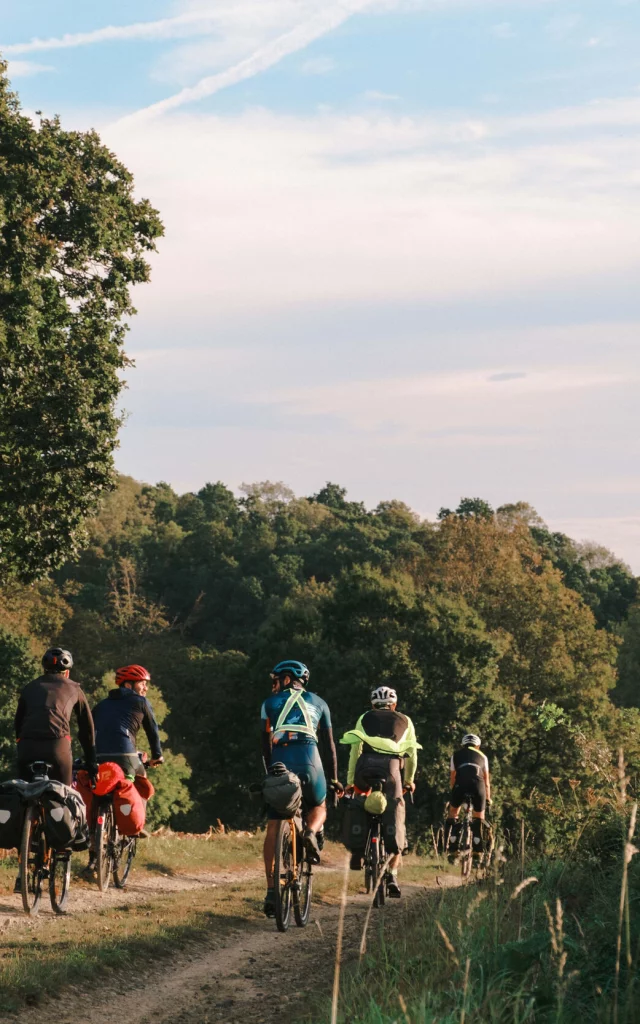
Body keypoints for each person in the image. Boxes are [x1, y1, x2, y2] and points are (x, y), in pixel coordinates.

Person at [260, 659, 342, 918]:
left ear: (286, 679)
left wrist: (267, 775)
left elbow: (264, 744)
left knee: (274, 824)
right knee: (319, 805)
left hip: (280, 761)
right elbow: (329, 746)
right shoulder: (320, 702)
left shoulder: (268, 704)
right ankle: (310, 831)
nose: (274, 685)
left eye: (276, 680)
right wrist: (334, 779)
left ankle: (272, 891)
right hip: (311, 758)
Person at [14, 647, 96, 891]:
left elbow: (18, 725)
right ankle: (59, 845)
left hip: (26, 750)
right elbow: (87, 732)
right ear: (67, 672)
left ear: (43, 669)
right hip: (58, 750)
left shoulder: (30, 688)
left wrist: (24, 744)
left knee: (25, 798)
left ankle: (22, 871)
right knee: (63, 796)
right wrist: (92, 764)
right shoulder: (75, 689)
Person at [341, 686, 420, 898]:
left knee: (360, 801)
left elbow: (355, 751)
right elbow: (411, 754)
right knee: (396, 811)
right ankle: (392, 873)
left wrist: (350, 781)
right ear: (394, 704)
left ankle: (359, 851)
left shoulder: (364, 718)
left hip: (365, 768)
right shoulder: (405, 720)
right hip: (392, 771)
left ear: (372, 704)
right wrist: (410, 781)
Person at [92, 664, 164, 779]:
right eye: (142, 684)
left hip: (99, 757)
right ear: (128, 685)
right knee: (142, 782)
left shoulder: (100, 706)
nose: (146, 688)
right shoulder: (141, 702)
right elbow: (152, 730)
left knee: (99, 791)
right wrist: (157, 756)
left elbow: (87, 732)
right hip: (125, 755)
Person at [444, 733, 491, 861]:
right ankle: (478, 850)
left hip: (461, 785)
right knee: (479, 818)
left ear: (463, 745)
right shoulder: (483, 757)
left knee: (453, 813)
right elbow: (486, 781)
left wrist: (454, 793)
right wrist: (488, 798)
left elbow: (453, 778)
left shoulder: (456, 755)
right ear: (478, 746)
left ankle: (453, 847)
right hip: (478, 786)